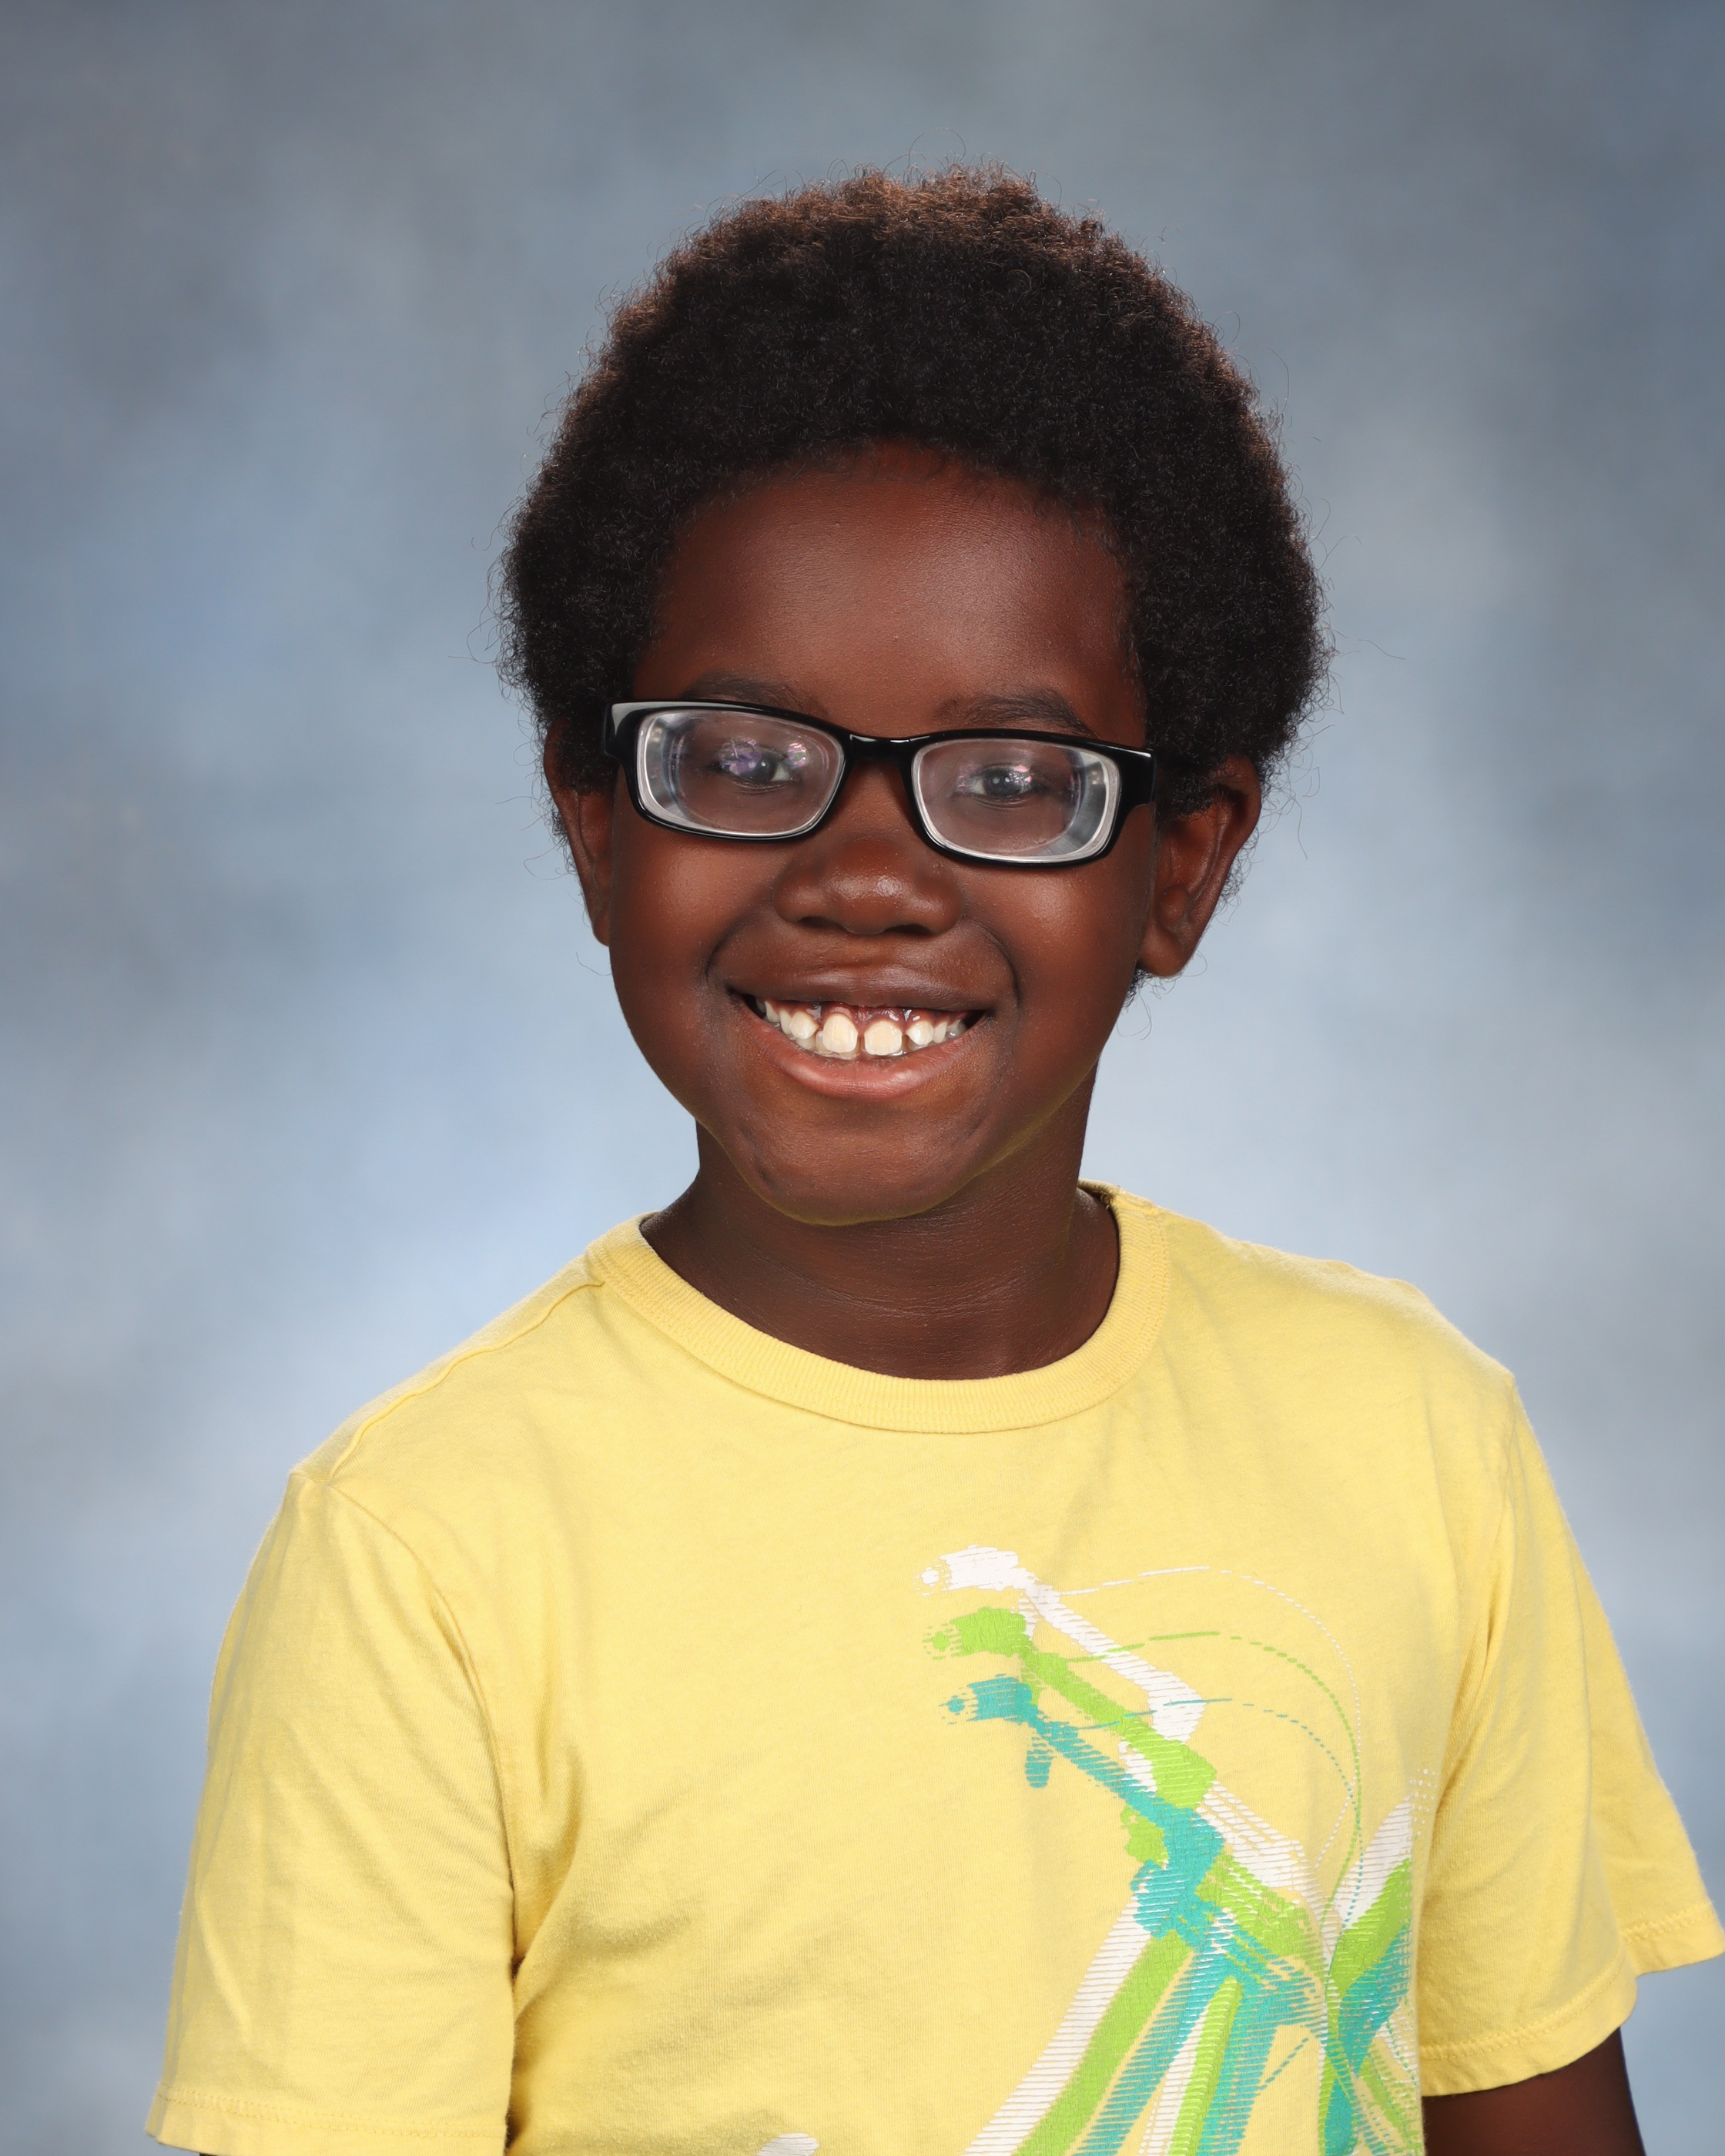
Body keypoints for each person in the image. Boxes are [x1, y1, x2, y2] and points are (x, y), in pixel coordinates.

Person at [149, 169, 1719, 2156]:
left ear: (1183, 866)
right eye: (745, 759)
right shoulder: (424, 1556)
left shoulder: (1419, 1442)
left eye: (1012, 780)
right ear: (597, 828)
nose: (869, 875)